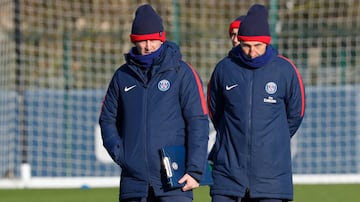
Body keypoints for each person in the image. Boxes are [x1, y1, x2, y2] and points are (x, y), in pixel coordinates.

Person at [99, 4, 209, 202]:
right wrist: (122, 154)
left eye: (153, 40)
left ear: (162, 38)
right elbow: (107, 119)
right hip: (134, 184)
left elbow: (198, 123)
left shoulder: (182, 73)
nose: (148, 46)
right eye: (142, 41)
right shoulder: (122, 76)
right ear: (134, 41)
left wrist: (195, 170)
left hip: (175, 182)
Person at [207, 4, 305, 202]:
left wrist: (271, 141)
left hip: (272, 179)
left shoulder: (285, 70)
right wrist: (233, 137)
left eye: (257, 46)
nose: (252, 52)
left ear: (267, 42)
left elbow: (295, 115)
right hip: (228, 176)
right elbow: (215, 112)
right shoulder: (224, 69)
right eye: (246, 45)